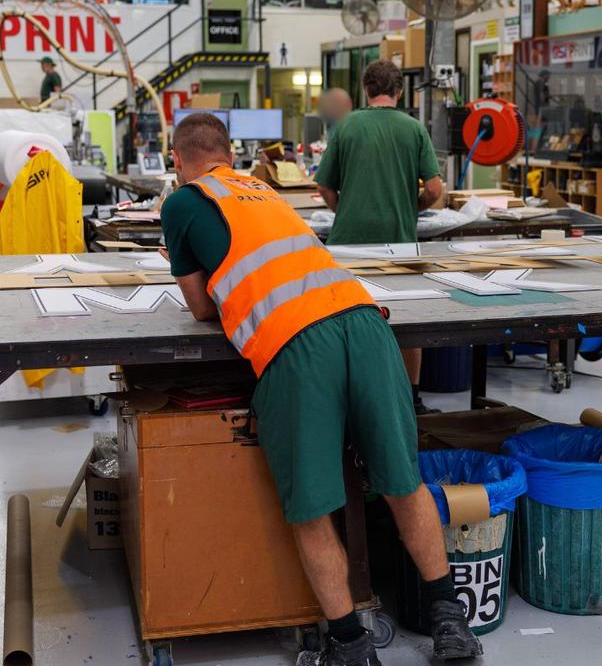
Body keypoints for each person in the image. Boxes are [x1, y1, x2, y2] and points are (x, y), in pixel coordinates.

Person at [160, 113, 481, 666]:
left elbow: (200, 309)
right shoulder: (261, 189)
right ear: (231, 157)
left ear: (176, 160)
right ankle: (451, 622)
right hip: (366, 323)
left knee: (313, 506)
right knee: (404, 484)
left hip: (296, 344)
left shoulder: (183, 202)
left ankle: (350, 646)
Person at [315, 61, 444, 415]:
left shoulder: (347, 127)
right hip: (399, 241)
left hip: (348, 244)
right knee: (408, 320)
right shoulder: (413, 128)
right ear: (399, 92)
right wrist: (409, 207)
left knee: (347, 318)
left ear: (365, 90)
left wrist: (345, 209)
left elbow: (324, 185)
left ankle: (351, 397)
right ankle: (412, 397)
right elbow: (435, 189)